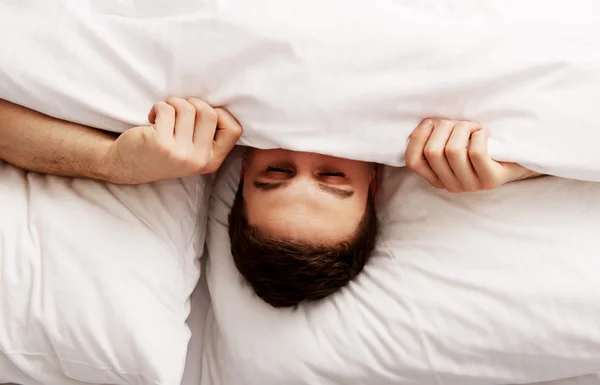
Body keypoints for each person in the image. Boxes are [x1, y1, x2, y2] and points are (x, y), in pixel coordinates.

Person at [0, 98, 541, 308]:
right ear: (374, 184)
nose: (304, 151)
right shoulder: (434, 136)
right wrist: (518, 165)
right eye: (333, 178)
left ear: (240, 171)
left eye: (275, 172)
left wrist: (112, 163)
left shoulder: (186, 119)